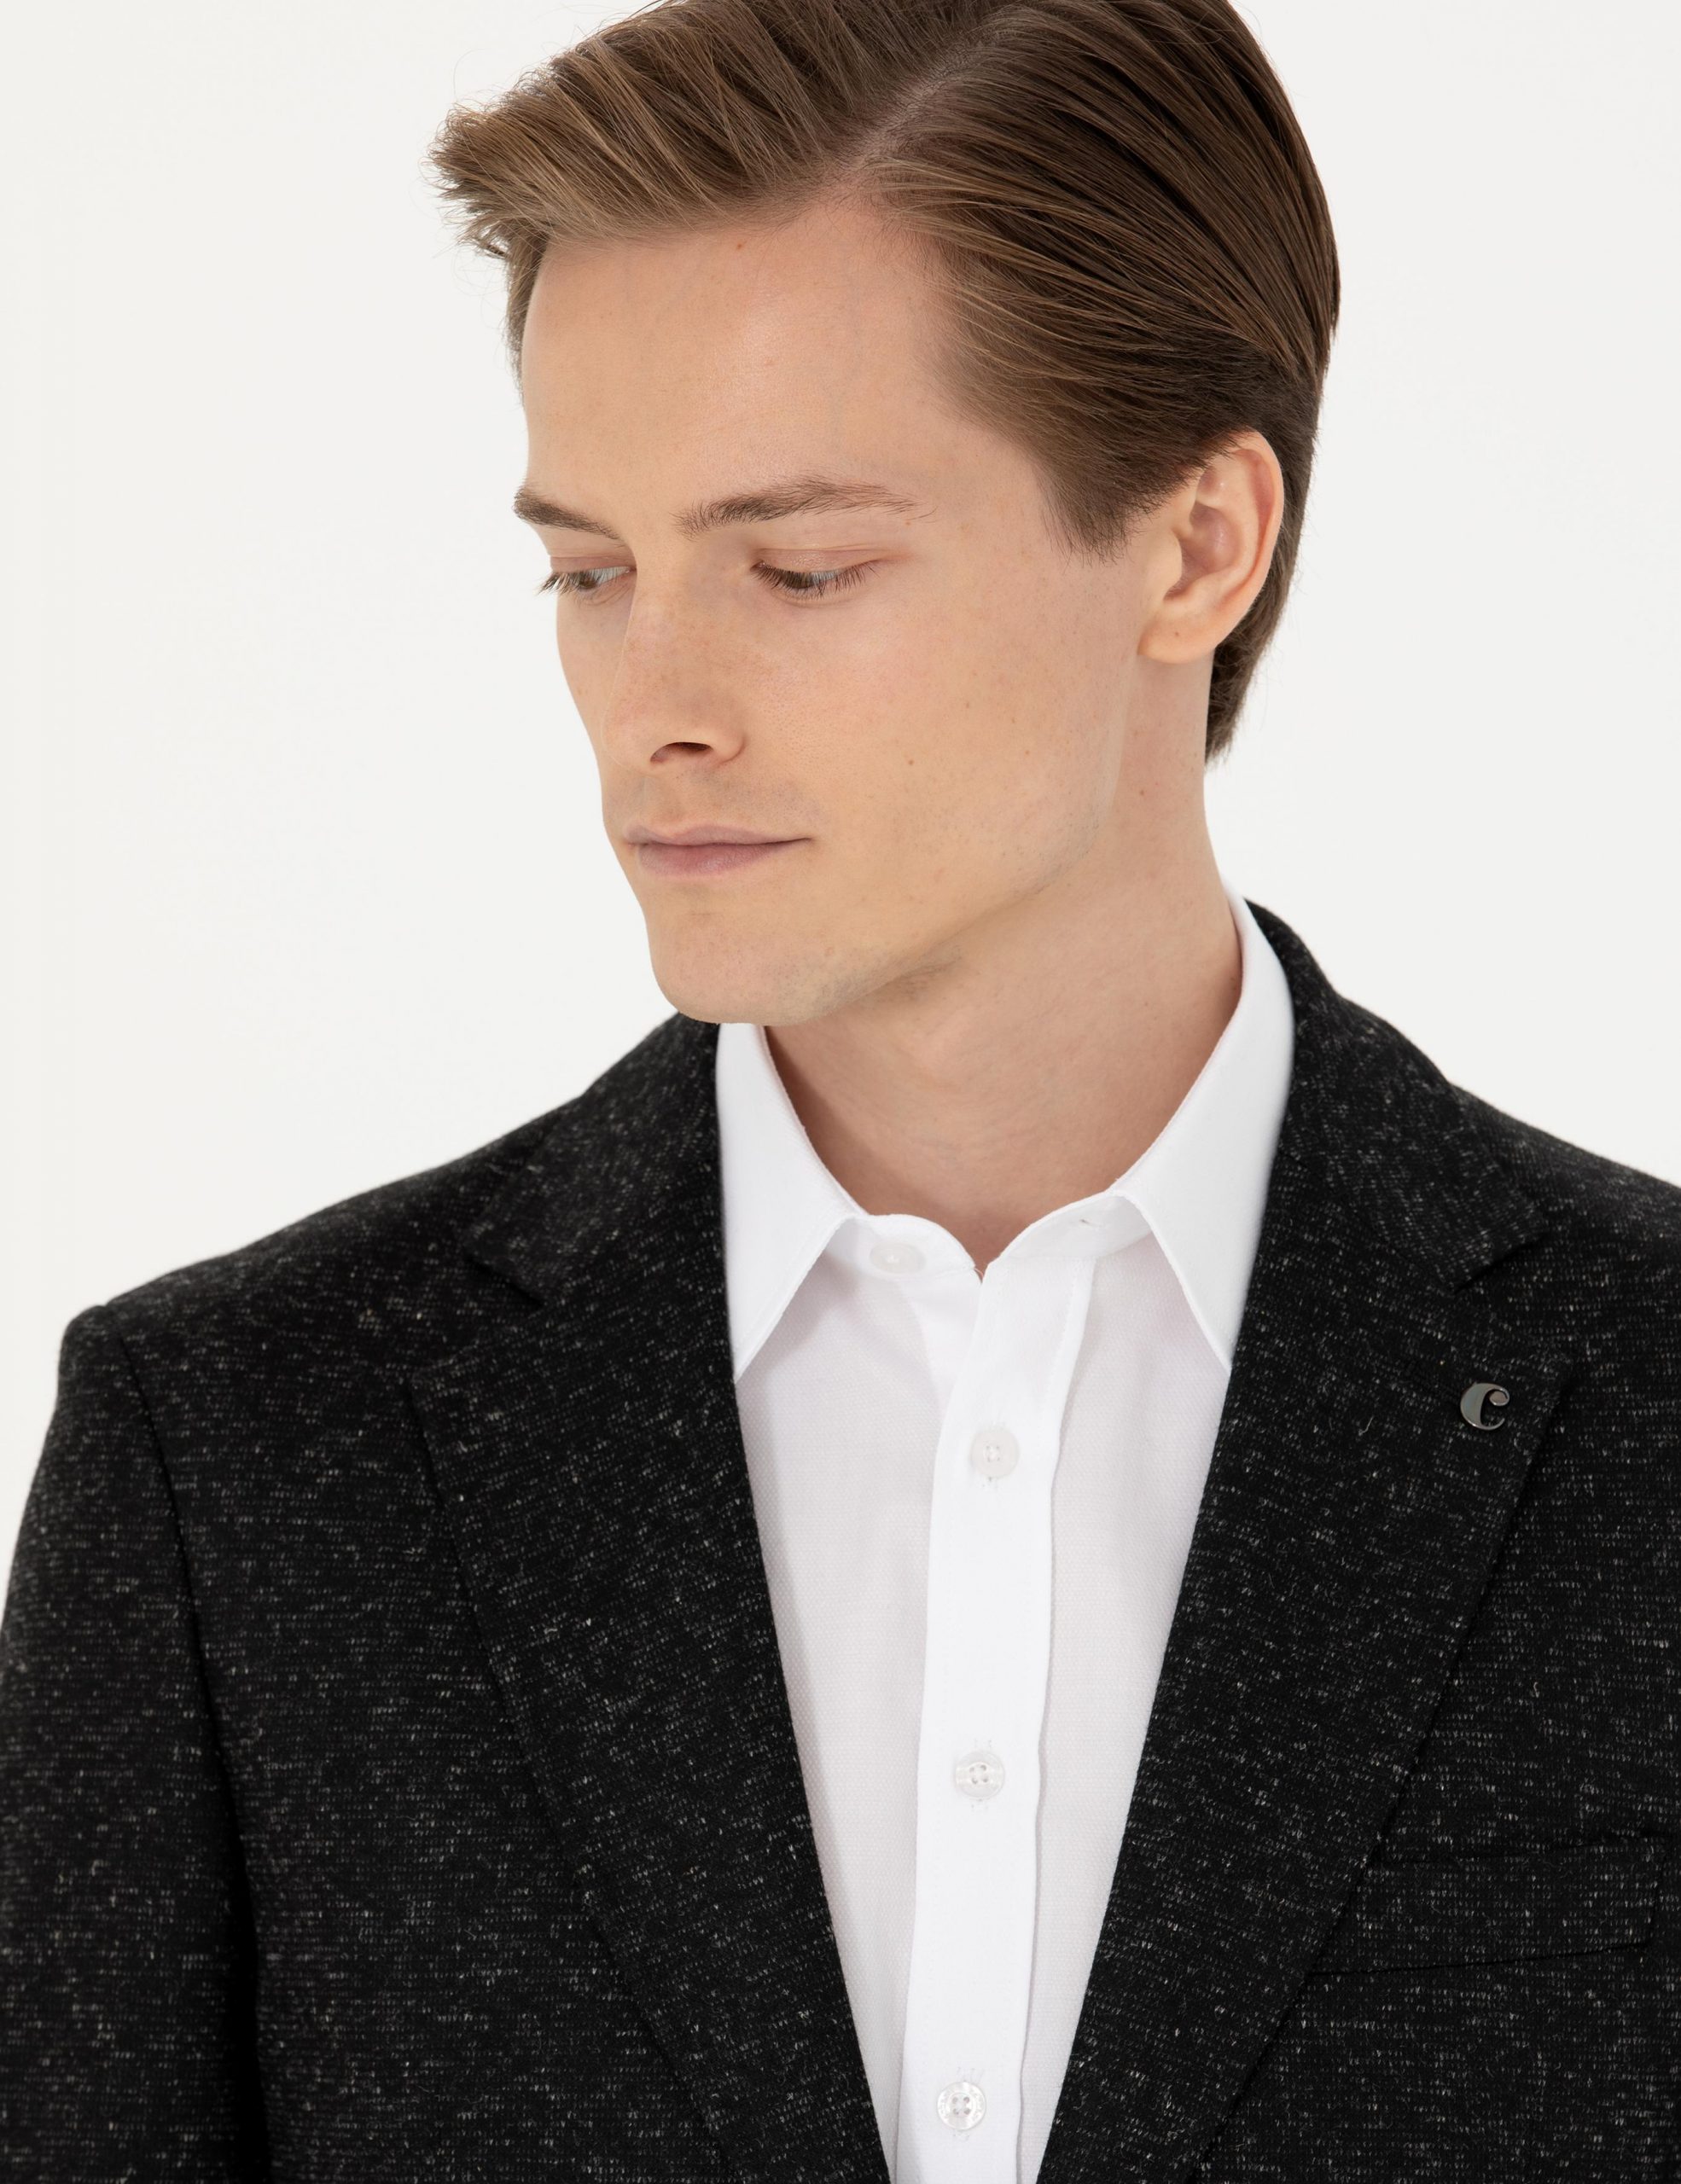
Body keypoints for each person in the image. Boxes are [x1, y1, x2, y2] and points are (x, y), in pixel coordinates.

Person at [3, 0, 1678, 2175]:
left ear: (1196, 541)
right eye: (590, 570)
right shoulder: (242, 1454)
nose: (654, 706)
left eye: (799, 569)